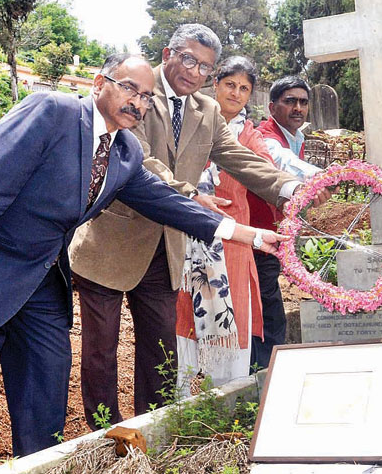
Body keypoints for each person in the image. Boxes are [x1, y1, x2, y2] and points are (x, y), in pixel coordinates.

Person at [0, 53, 285, 474]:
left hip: (41, 279)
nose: (138, 102)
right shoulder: (51, 112)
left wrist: (250, 235)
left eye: (146, 97)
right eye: (129, 88)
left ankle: (38, 466)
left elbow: (168, 203)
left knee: (46, 384)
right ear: (99, 83)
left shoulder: (125, 151)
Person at [68, 25, 323, 426]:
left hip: (167, 249)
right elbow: (138, 160)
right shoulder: (136, 91)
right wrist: (189, 195)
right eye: (188, 59)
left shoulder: (207, 111)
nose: (194, 71)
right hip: (112, 242)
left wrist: (289, 187)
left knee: (160, 346)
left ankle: (152, 429)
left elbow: (239, 157)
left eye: (205, 67)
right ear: (168, 53)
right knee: (101, 349)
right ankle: (104, 435)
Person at [174, 56, 274, 390]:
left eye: (244, 88)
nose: (236, 93)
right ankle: (182, 399)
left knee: (234, 317)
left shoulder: (251, 136)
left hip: (234, 241)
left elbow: (267, 170)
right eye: (230, 84)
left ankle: (227, 397)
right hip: (188, 236)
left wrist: (298, 185)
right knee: (185, 315)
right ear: (214, 84)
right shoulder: (190, 121)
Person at [248, 75, 322, 369]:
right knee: (268, 309)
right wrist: (326, 176)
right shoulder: (265, 135)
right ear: (272, 107)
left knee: (267, 304)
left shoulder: (298, 137)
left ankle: (263, 370)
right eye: (289, 101)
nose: (298, 108)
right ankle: (263, 374)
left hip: (273, 235)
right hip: (254, 234)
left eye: (303, 102)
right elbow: (280, 162)